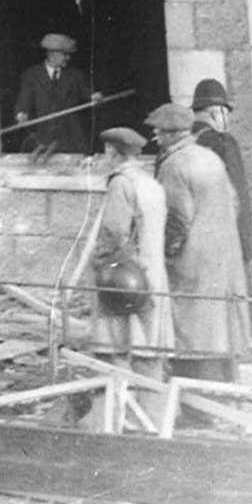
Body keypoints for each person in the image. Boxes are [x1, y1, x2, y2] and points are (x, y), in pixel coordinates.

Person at [148, 102, 248, 382]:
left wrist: (166, 260)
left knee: (192, 330)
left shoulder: (174, 164)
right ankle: (225, 398)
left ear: (170, 134)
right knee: (220, 330)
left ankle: (196, 406)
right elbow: (233, 201)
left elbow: (177, 221)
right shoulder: (209, 157)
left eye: (158, 131)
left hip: (193, 261)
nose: (155, 137)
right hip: (222, 255)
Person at [87, 126, 168, 382]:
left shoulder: (121, 183)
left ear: (112, 151)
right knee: (148, 346)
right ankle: (151, 411)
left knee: (114, 347)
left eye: (107, 150)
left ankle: (119, 412)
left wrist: (99, 265)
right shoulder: (150, 182)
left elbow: (114, 232)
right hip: (152, 273)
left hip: (126, 278)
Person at [190, 79, 252, 300]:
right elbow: (239, 194)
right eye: (226, 113)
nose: (228, 119)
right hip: (226, 239)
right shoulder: (224, 143)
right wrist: (248, 248)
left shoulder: (181, 144)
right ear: (217, 113)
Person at [12, 32, 96, 155]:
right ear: (52, 54)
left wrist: (94, 97)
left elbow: (87, 94)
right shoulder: (31, 75)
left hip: (72, 140)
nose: (68, 58)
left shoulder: (76, 75)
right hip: (42, 140)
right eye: (65, 54)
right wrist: (21, 115)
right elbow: (23, 102)